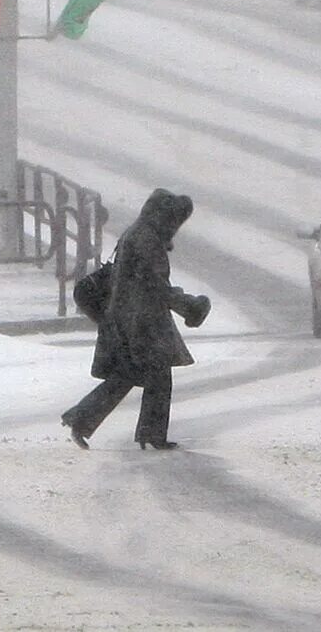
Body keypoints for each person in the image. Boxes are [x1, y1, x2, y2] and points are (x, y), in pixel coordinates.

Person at [61, 189, 211, 451]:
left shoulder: (140, 233)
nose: (175, 228)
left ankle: (82, 419)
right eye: (175, 221)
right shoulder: (146, 239)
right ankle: (150, 435)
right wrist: (190, 307)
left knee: (127, 374)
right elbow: (157, 285)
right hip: (141, 320)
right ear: (165, 217)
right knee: (158, 375)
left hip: (128, 316)